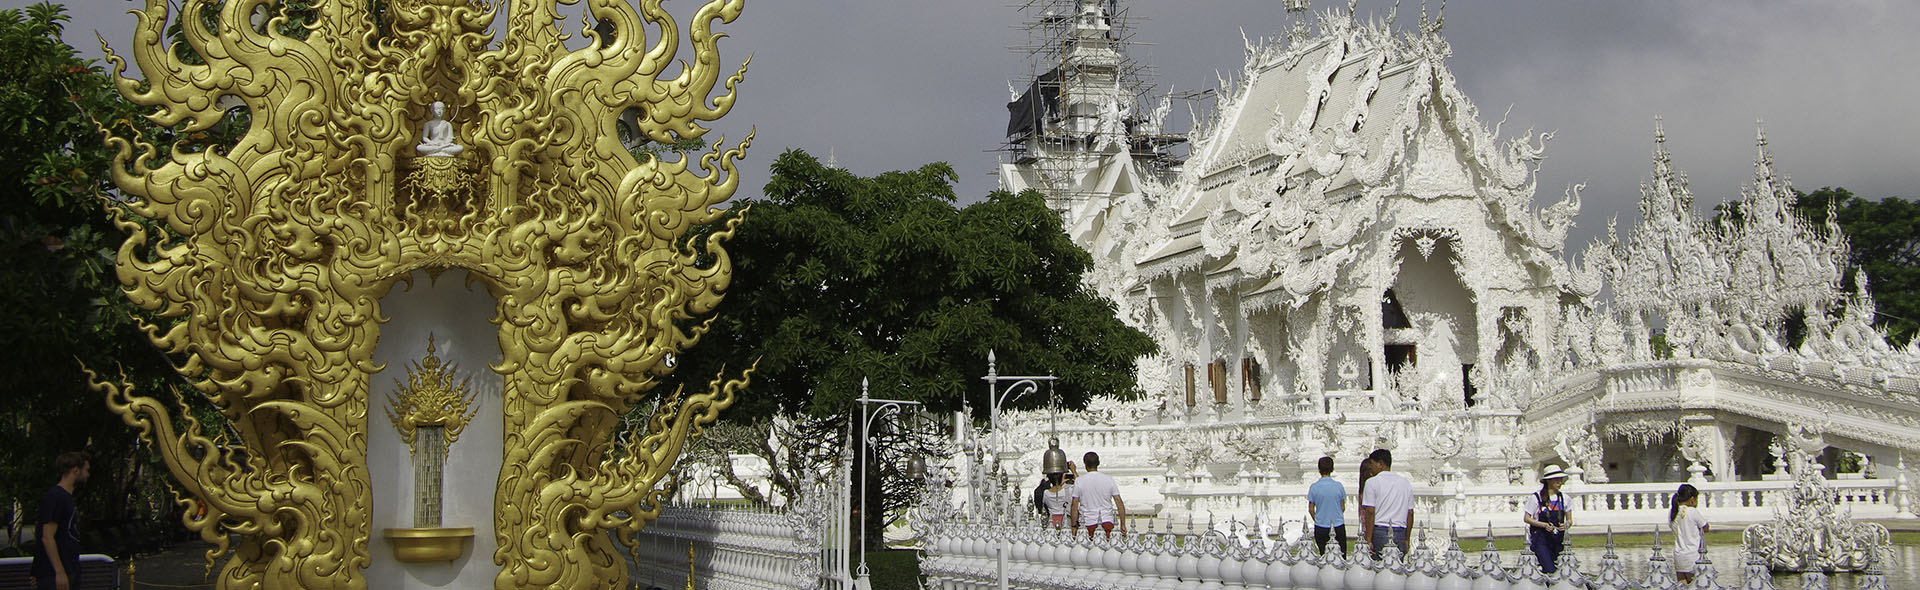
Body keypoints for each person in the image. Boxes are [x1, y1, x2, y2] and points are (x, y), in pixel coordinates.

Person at [31, 452, 89, 590]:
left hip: (70, 567)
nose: (88, 474)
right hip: (55, 574)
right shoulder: (55, 497)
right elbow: (47, 536)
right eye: (86, 470)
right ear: (75, 470)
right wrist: (59, 572)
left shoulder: (67, 498)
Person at [1358, 448, 1412, 559]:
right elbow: (1410, 513)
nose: (1371, 467)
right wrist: (1407, 539)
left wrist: (1368, 539)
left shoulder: (1372, 482)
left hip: (1380, 531)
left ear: (1380, 464)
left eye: (1372, 464)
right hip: (1400, 531)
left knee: (1379, 568)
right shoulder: (1405, 483)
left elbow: (1370, 511)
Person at [1523, 465, 1573, 573]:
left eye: (1561, 480)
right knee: (1550, 569)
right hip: (1541, 538)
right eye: (1557, 480)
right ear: (1549, 481)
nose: (1560, 482)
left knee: (1556, 568)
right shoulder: (1537, 497)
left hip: (1557, 539)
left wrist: (1566, 525)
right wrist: (1544, 525)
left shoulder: (1565, 498)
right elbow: (1527, 518)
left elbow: (1569, 520)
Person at [1069, 451, 1126, 538]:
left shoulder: (1079, 481)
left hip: (1087, 522)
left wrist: (1073, 525)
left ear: (1085, 464)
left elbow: (1074, 505)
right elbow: (1119, 503)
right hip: (1107, 521)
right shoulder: (1109, 480)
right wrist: (1123, 524)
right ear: (1098, 463)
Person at [1306, 456, 1348, 556]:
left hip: (1321, 526)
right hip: (1337, 524)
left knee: (1324, 555)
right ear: (1332, 469)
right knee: (1341, 555)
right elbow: (1342, 507)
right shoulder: (1338, 486)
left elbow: (1311, 509)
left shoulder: (1314, 487)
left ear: (1319, 469)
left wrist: (1318, 519)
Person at [1670, 484, 1709, 584]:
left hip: (1679, 556)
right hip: (1693, 556)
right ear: (1692, 500)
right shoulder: (1692, 511)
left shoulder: (1673, 512)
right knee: (1696, 585)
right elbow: (1706, 527)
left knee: (1682, 585)